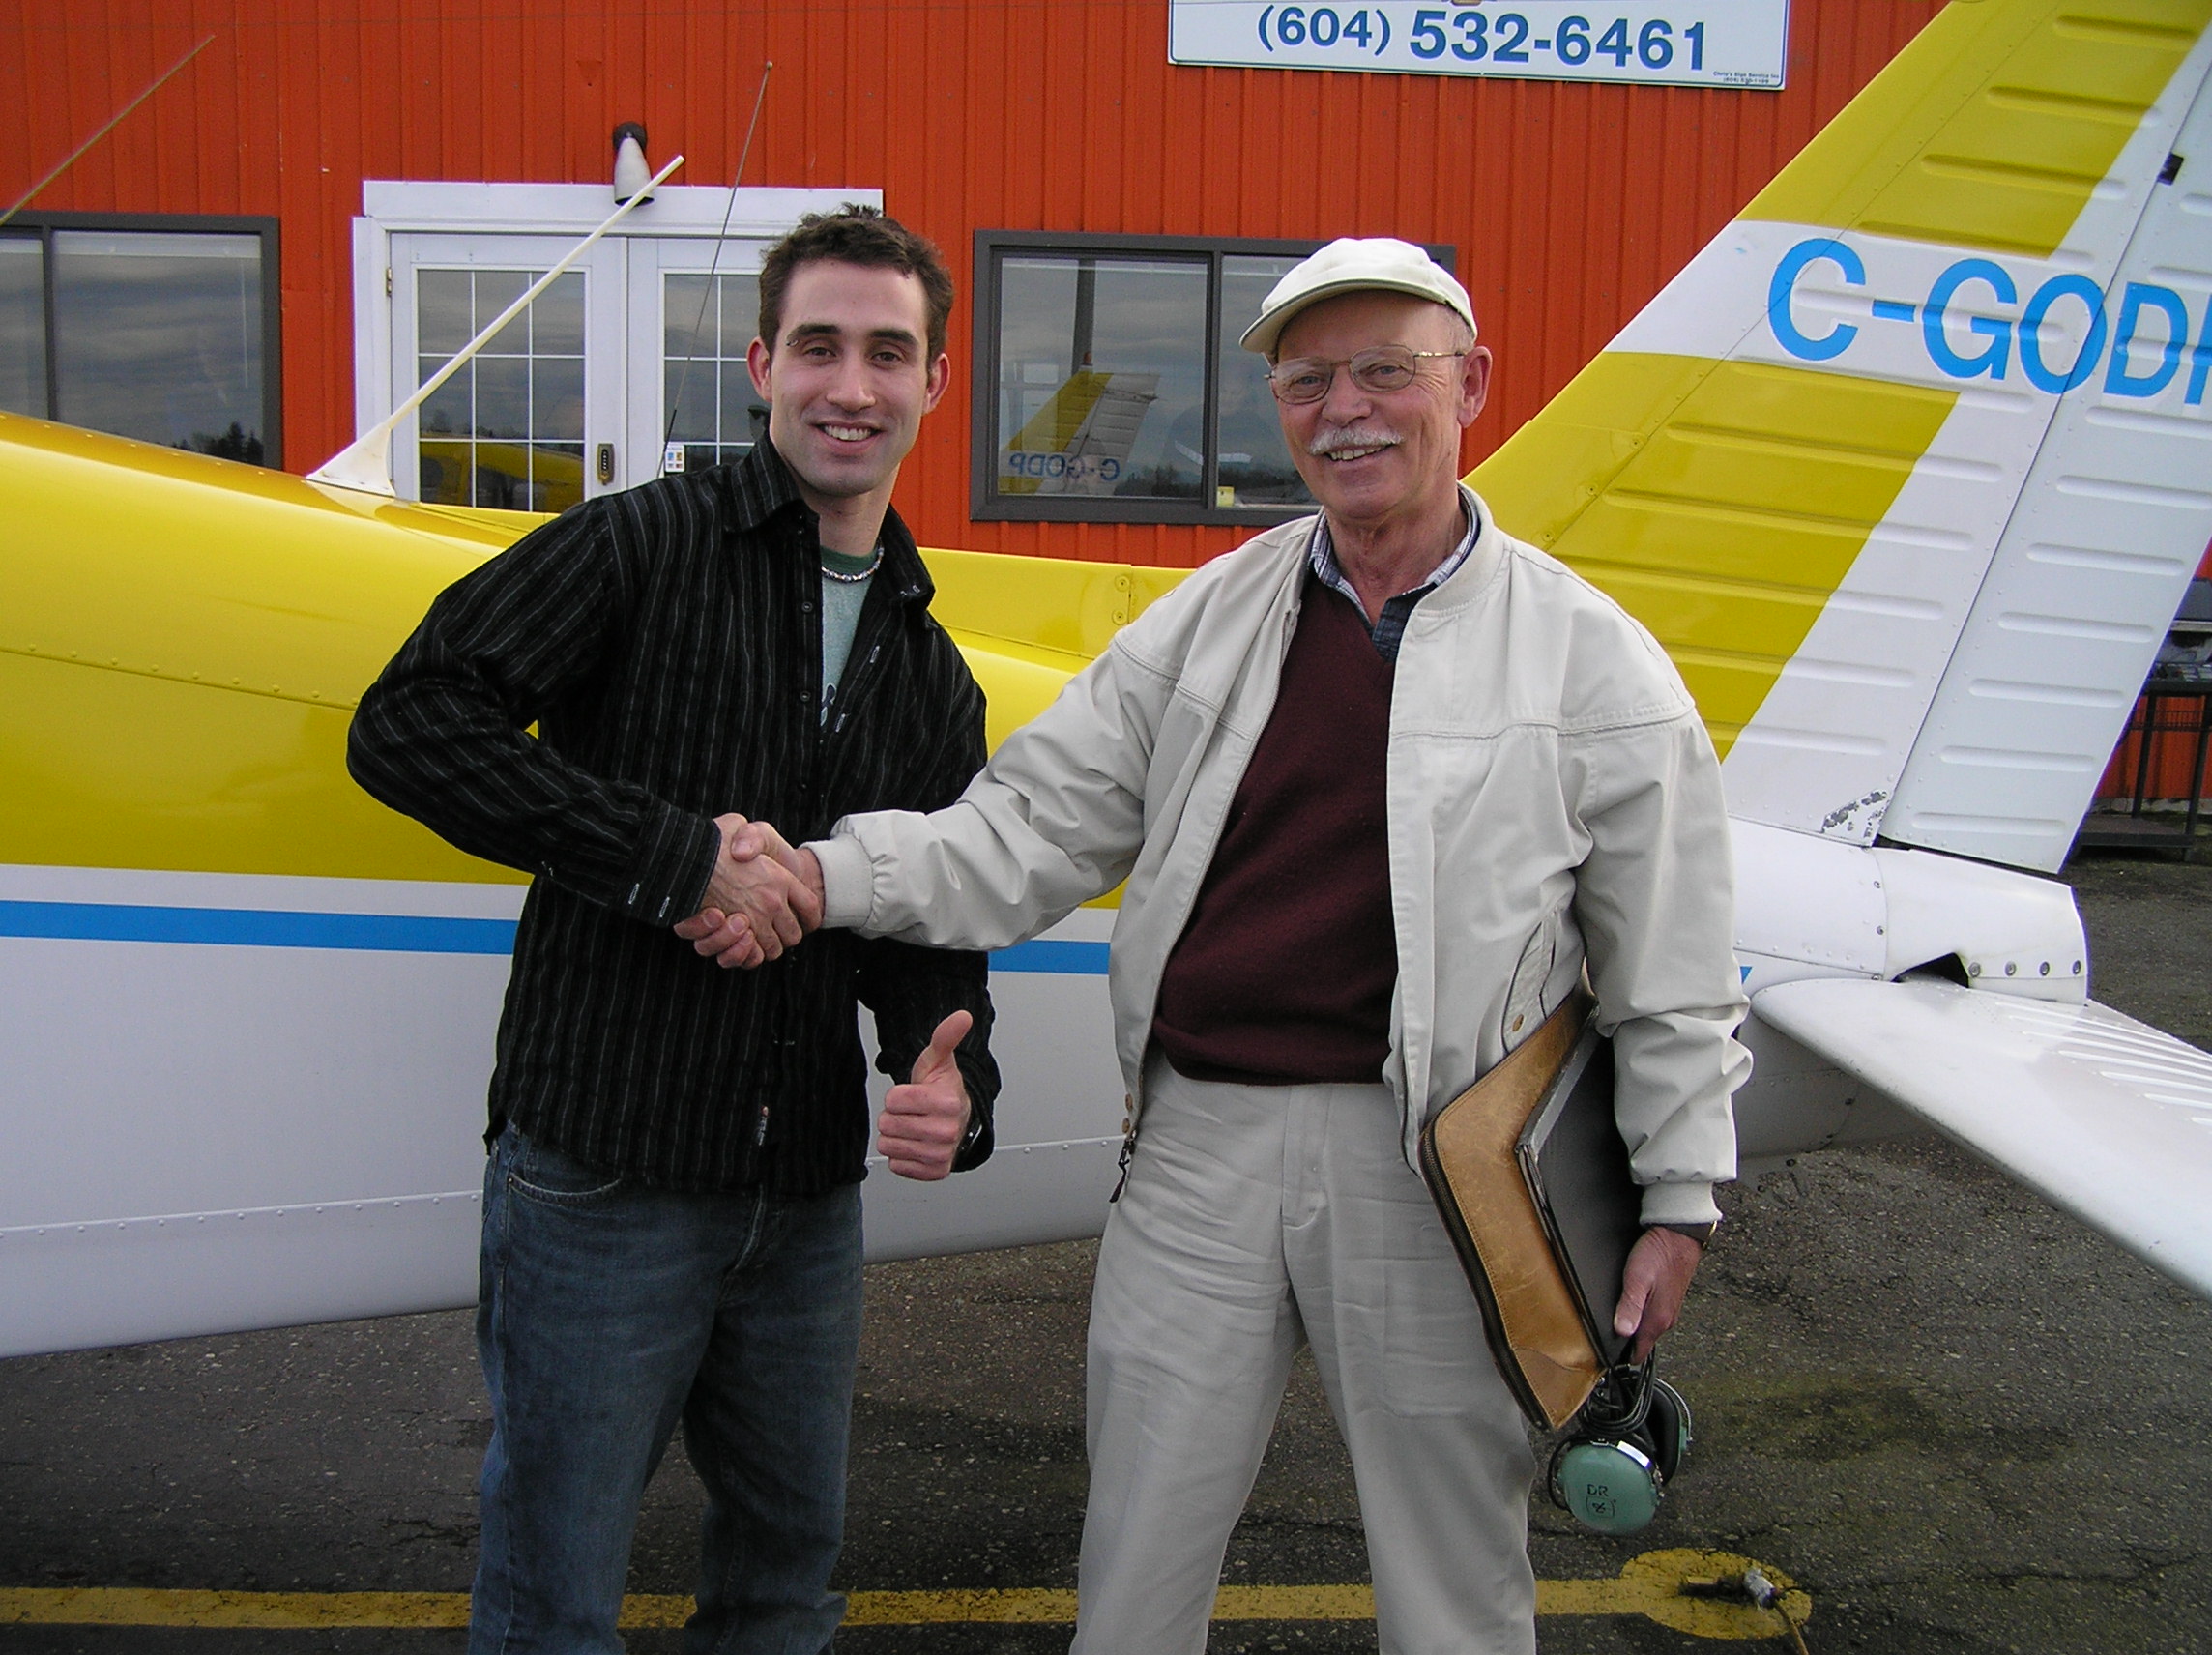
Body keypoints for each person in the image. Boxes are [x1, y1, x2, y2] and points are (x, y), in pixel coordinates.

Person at [687, 237, 1748, 1654]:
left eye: (1388, 370)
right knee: (1135, 1560)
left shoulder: (1595, 662)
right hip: (1198, 1153)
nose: (1347, 409)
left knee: (1457, 1584)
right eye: (1308, 381)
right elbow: (1019, 834)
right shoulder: (1214, 617)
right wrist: (818, 875)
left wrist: (1678, 1195)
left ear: (1473, 386)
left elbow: (1670, 965)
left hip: (1445, 1171)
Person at [347, 205, 999, 1655]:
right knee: (552, 1597)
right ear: (762, 365)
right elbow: (408, 723)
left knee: (783, 1590)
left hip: (804, 1204)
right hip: (605, 1177)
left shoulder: (930, 661)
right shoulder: (638, 546)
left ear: (933, 384)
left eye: (888, 353)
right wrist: (671, 857)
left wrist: (950, 1065)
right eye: (819, 346)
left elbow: (925, 911)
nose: (852, 384)